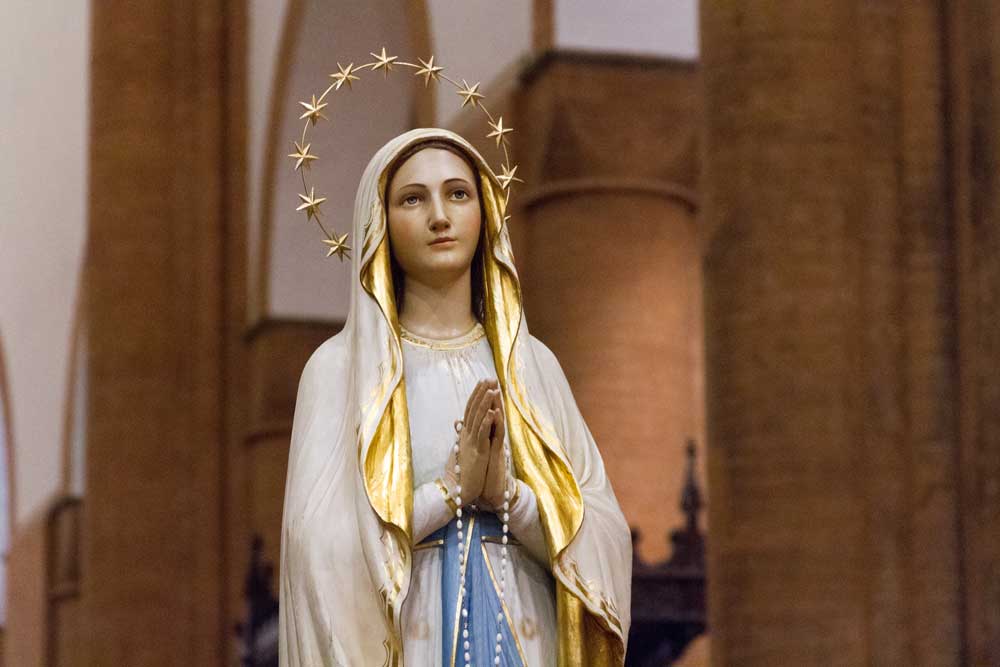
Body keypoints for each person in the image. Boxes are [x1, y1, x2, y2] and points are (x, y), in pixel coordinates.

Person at [279, 128, 632, 666]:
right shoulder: (340, 371)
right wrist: (446, 494)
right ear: (379, 223)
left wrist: (508, 497)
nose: (439, 216)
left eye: (458, 193)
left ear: (484, 212)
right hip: (412, 641)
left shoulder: (533, 365)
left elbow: (603, 528)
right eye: (413, 199)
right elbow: (317, 552)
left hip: (529, 634)